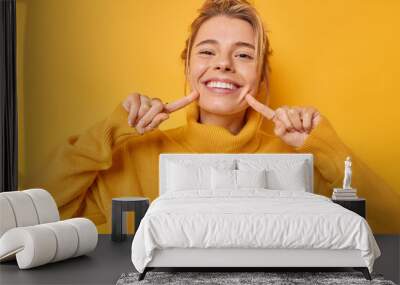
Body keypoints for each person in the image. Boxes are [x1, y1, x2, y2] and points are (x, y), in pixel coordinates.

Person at [33, 0, 400, 234]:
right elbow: (37, 217)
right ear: (188, 67)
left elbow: (390, 227)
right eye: (208, 51)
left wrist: (325, 148)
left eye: (243, 55)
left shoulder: (300, 162)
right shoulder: (128, 157)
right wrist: (111, 133)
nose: (223, 63)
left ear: (262, 77)